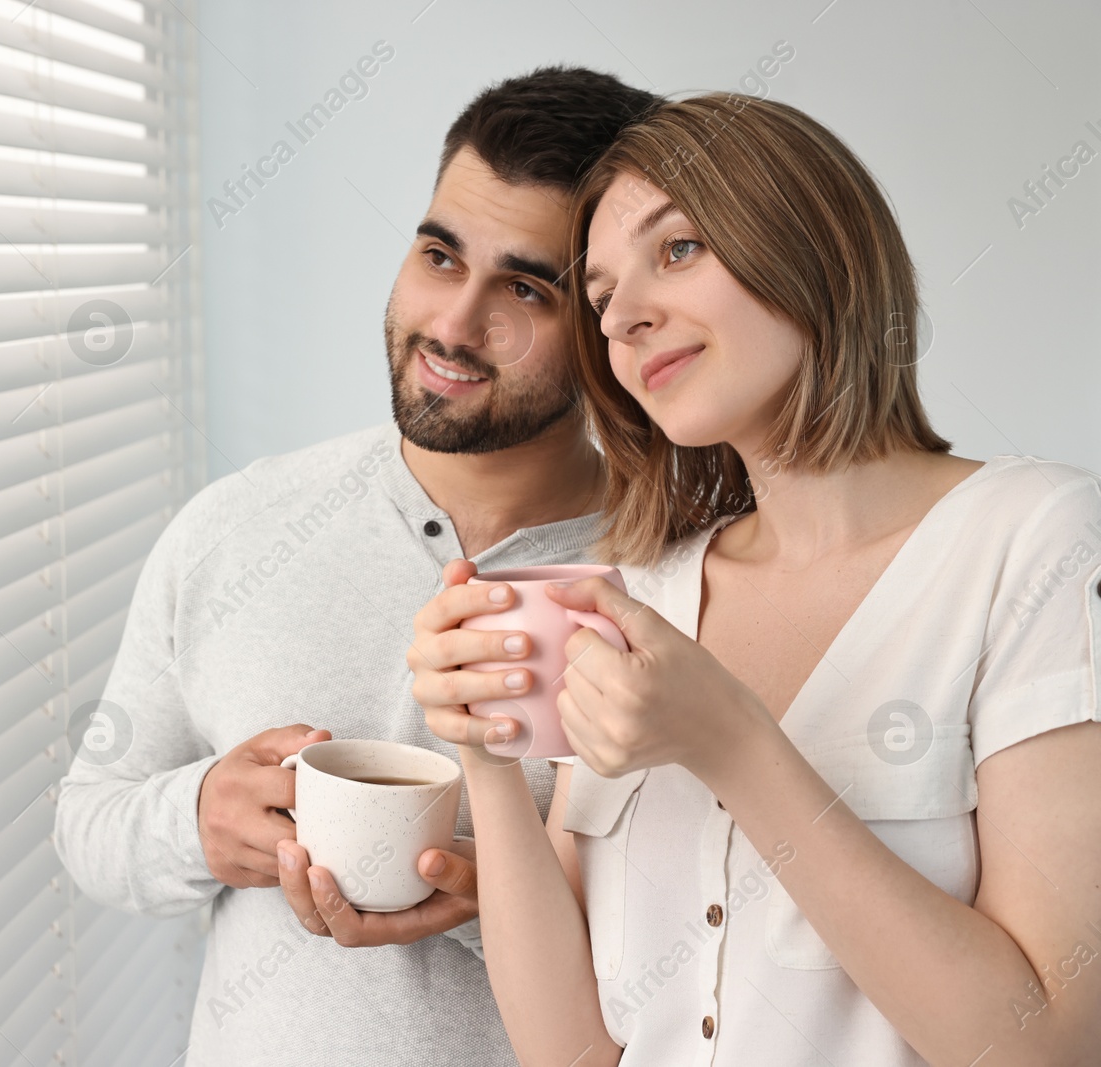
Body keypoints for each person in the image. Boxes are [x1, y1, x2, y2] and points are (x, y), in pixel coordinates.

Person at [410, 92, 1101, 1066]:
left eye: (678, 249)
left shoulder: (1030, 540)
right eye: (602, 300)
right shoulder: (638, 594)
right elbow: (569, 1048)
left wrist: (733, 746)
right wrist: (482, 745)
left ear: (811, 242)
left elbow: (1049, 1045)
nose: (629, 317)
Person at [53, 68, 659, 1065]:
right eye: (438, 255)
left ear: (606, 317)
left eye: (522, 287)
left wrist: (491, 901)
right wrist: (196, 818)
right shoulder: (237, 525)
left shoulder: (675, 580)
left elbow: (720, 952)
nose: (454, 326)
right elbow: (91, 818)